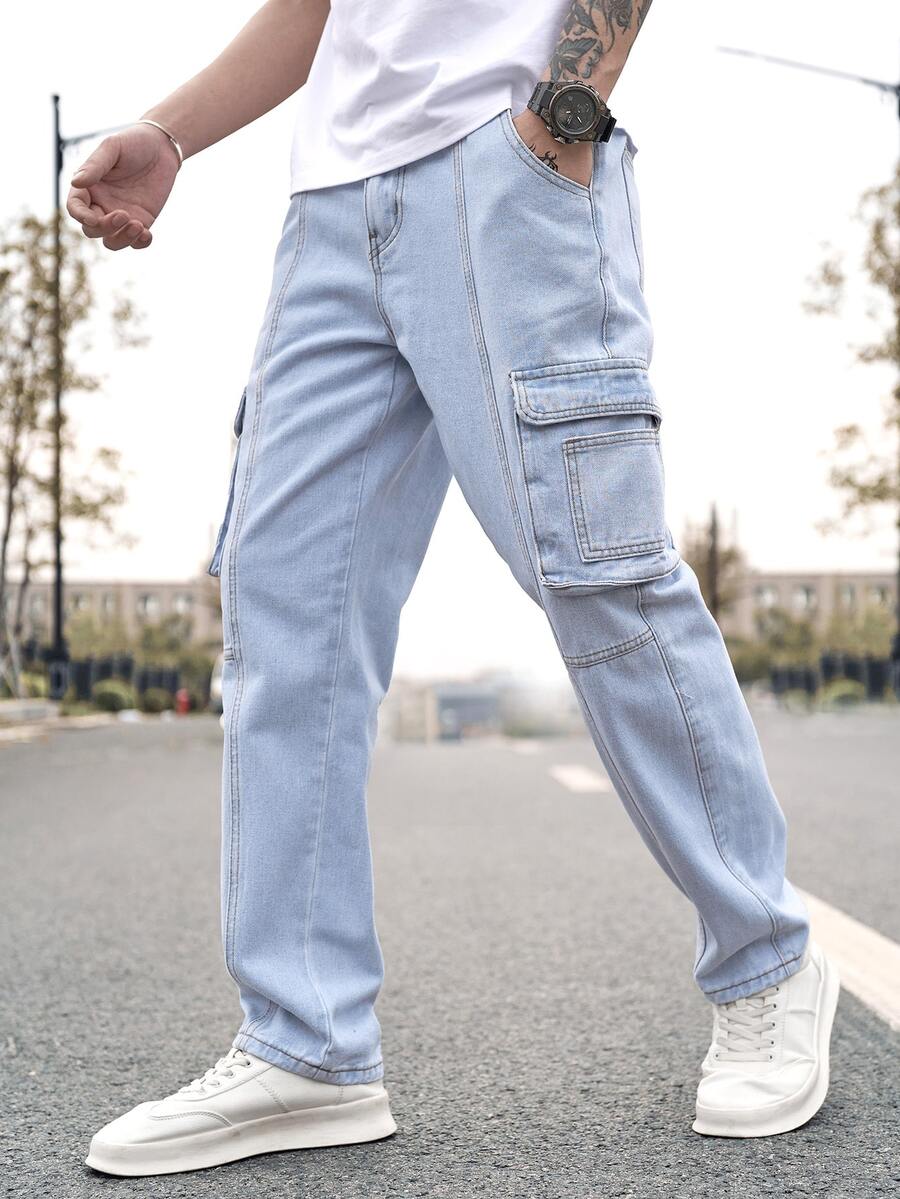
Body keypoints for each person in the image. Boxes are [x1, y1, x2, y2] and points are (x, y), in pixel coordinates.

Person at [68, 0, 840, 1177]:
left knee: (597, 570)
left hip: (508, 161)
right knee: (285, 620)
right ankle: (306, 1041)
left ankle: (768, 960)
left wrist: (565, 112)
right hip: (331, 207)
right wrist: (173, 134)